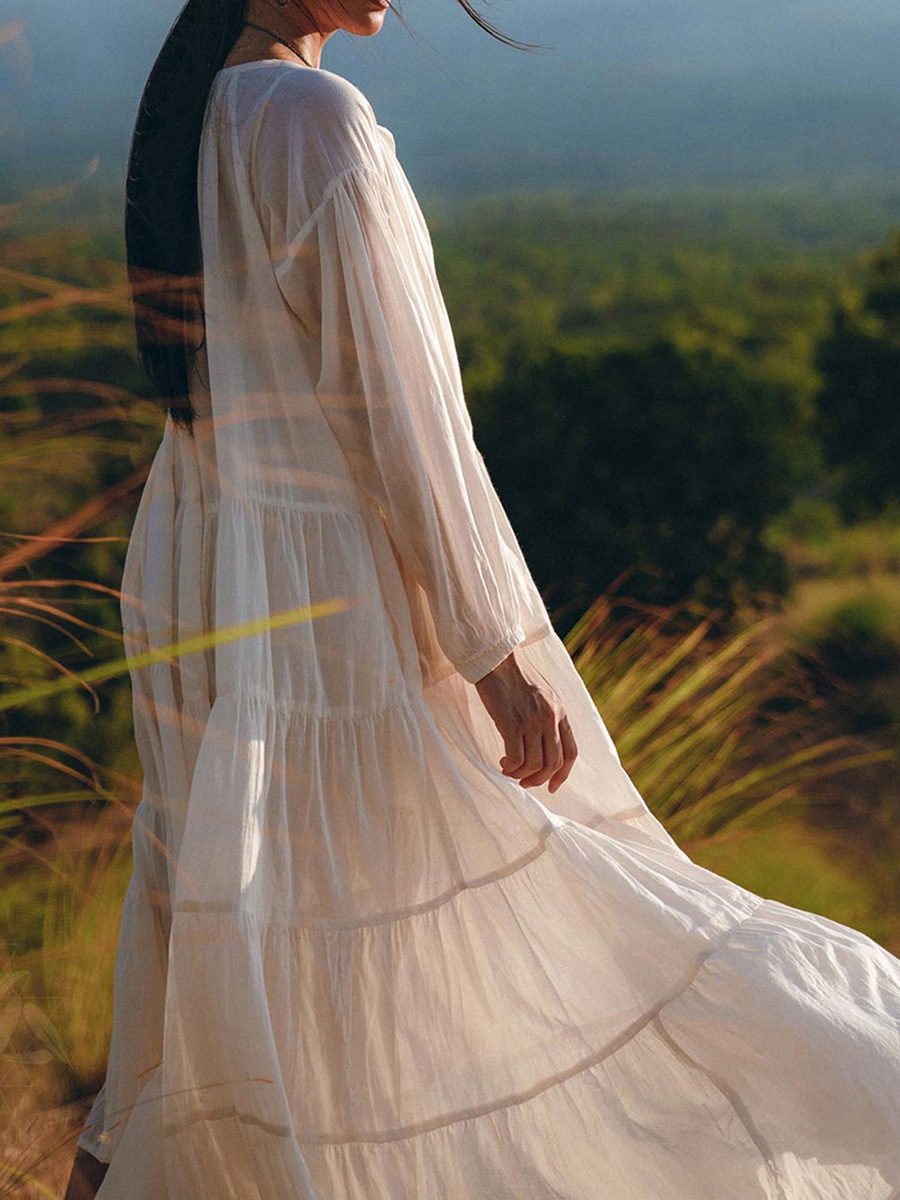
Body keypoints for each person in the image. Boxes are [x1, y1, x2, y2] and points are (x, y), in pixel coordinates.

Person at [67, 1, 900, 1197]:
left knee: (224, 933)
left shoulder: (191, 113)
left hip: (205, 573)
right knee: (537, 910)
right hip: (328, 599)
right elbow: (404, 416)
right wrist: (491, 646)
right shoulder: (312, 117)